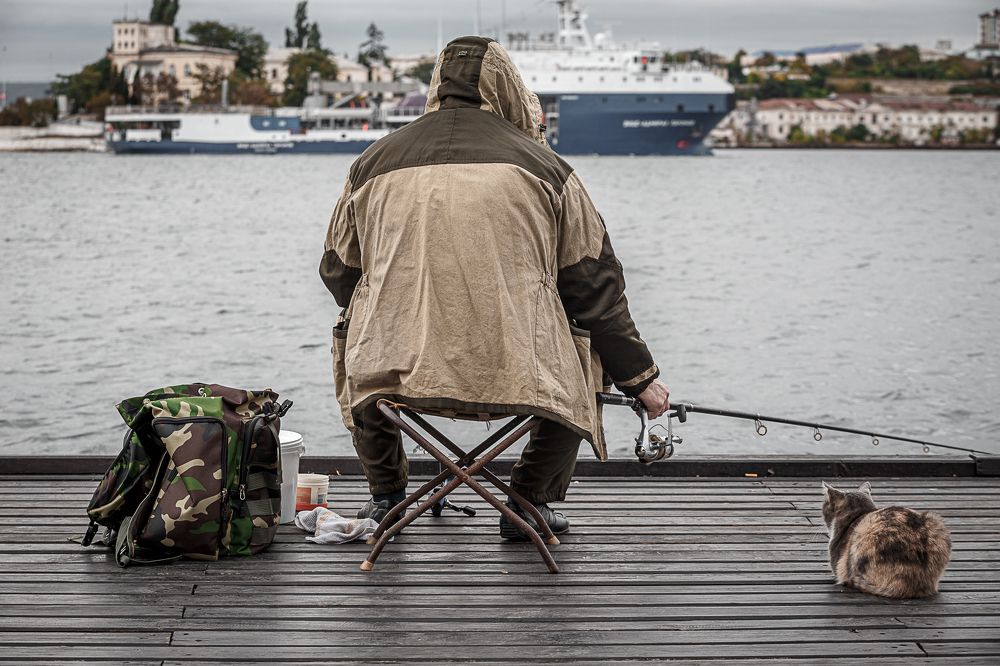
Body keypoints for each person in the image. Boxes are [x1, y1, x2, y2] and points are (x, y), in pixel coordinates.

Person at [319, 36, 669, 541]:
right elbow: (594, 289)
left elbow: (337, 270)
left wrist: (394, 304)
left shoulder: (370, 164)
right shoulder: (549, 169)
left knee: (357, 331)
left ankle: (387, 496)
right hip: (520, 373)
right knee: (585, 351)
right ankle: (529, 500)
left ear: (436, 86)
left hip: (394, 370)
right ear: (508, 87)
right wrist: (640, 378)